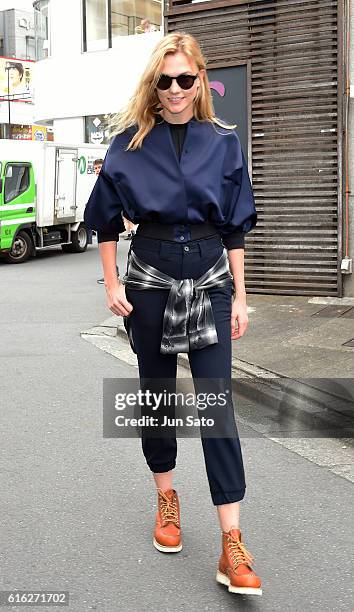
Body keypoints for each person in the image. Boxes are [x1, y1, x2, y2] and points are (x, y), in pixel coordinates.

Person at [84, 32, 262, 596]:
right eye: (166, 81)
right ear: (153, 87)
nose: (177, 89)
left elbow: (234, 226)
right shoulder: (127, 146)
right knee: (157, 395)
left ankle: (232, 545)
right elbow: (104, 219)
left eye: (186, 79)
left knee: (216, 407)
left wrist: (240, 294)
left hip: (209, 273)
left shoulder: (223, 143)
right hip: (152, 277)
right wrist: (111, 282)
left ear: (199, 81)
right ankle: (166, 495)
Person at [92, 159, 120, 284]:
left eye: (99, 167)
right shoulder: (96, 182)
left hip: (109, 220)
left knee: (108, 248)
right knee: (104, 250)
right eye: (96, 168)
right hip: (102, 219)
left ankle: (112, 275)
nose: (98, 170)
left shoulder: (109, 182)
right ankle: (112, 273)